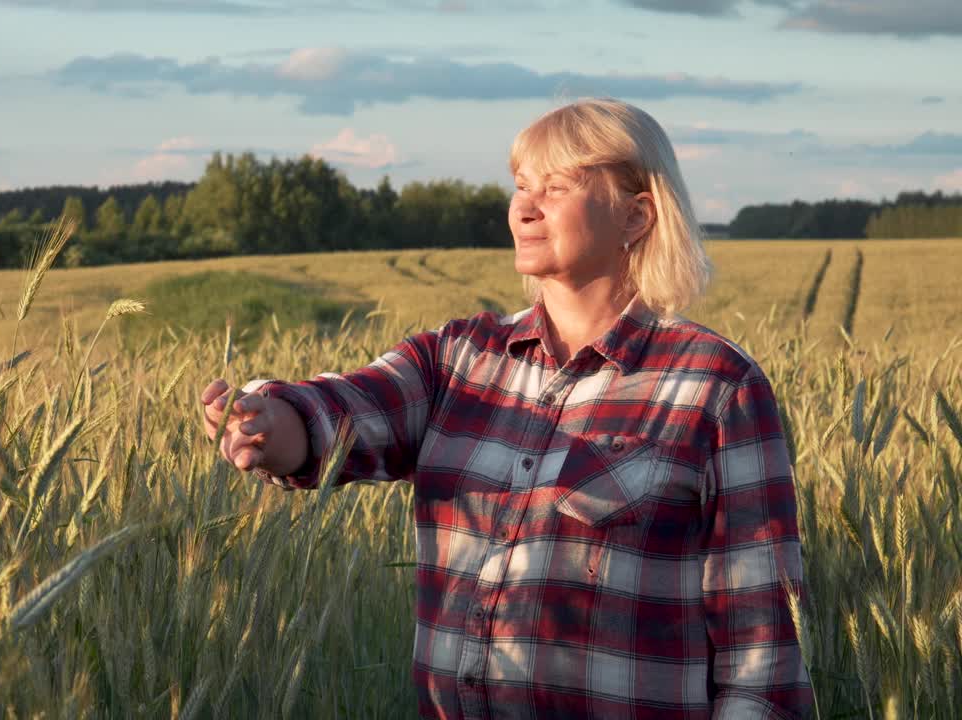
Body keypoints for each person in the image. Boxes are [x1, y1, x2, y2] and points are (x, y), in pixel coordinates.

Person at [200, 98, 813, 719]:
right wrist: (270, 422)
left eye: (555, 188)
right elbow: (349, 410)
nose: (523, 208)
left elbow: (761, 654)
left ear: (635, 216)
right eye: (520, 187)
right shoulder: (460, 359)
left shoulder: (714, 386)